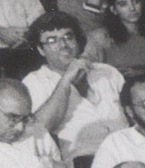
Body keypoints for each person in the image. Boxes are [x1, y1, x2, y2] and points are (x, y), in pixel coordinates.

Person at [23, 11, 126, 160]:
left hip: (127, 150)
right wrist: (65, 80)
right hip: (83, 160)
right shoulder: (34, 82)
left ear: (78, 41)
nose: (64, 45)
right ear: (40, 49)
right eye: (52, 40)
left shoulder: (107, 71)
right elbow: (38, 130)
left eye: (68, 37)